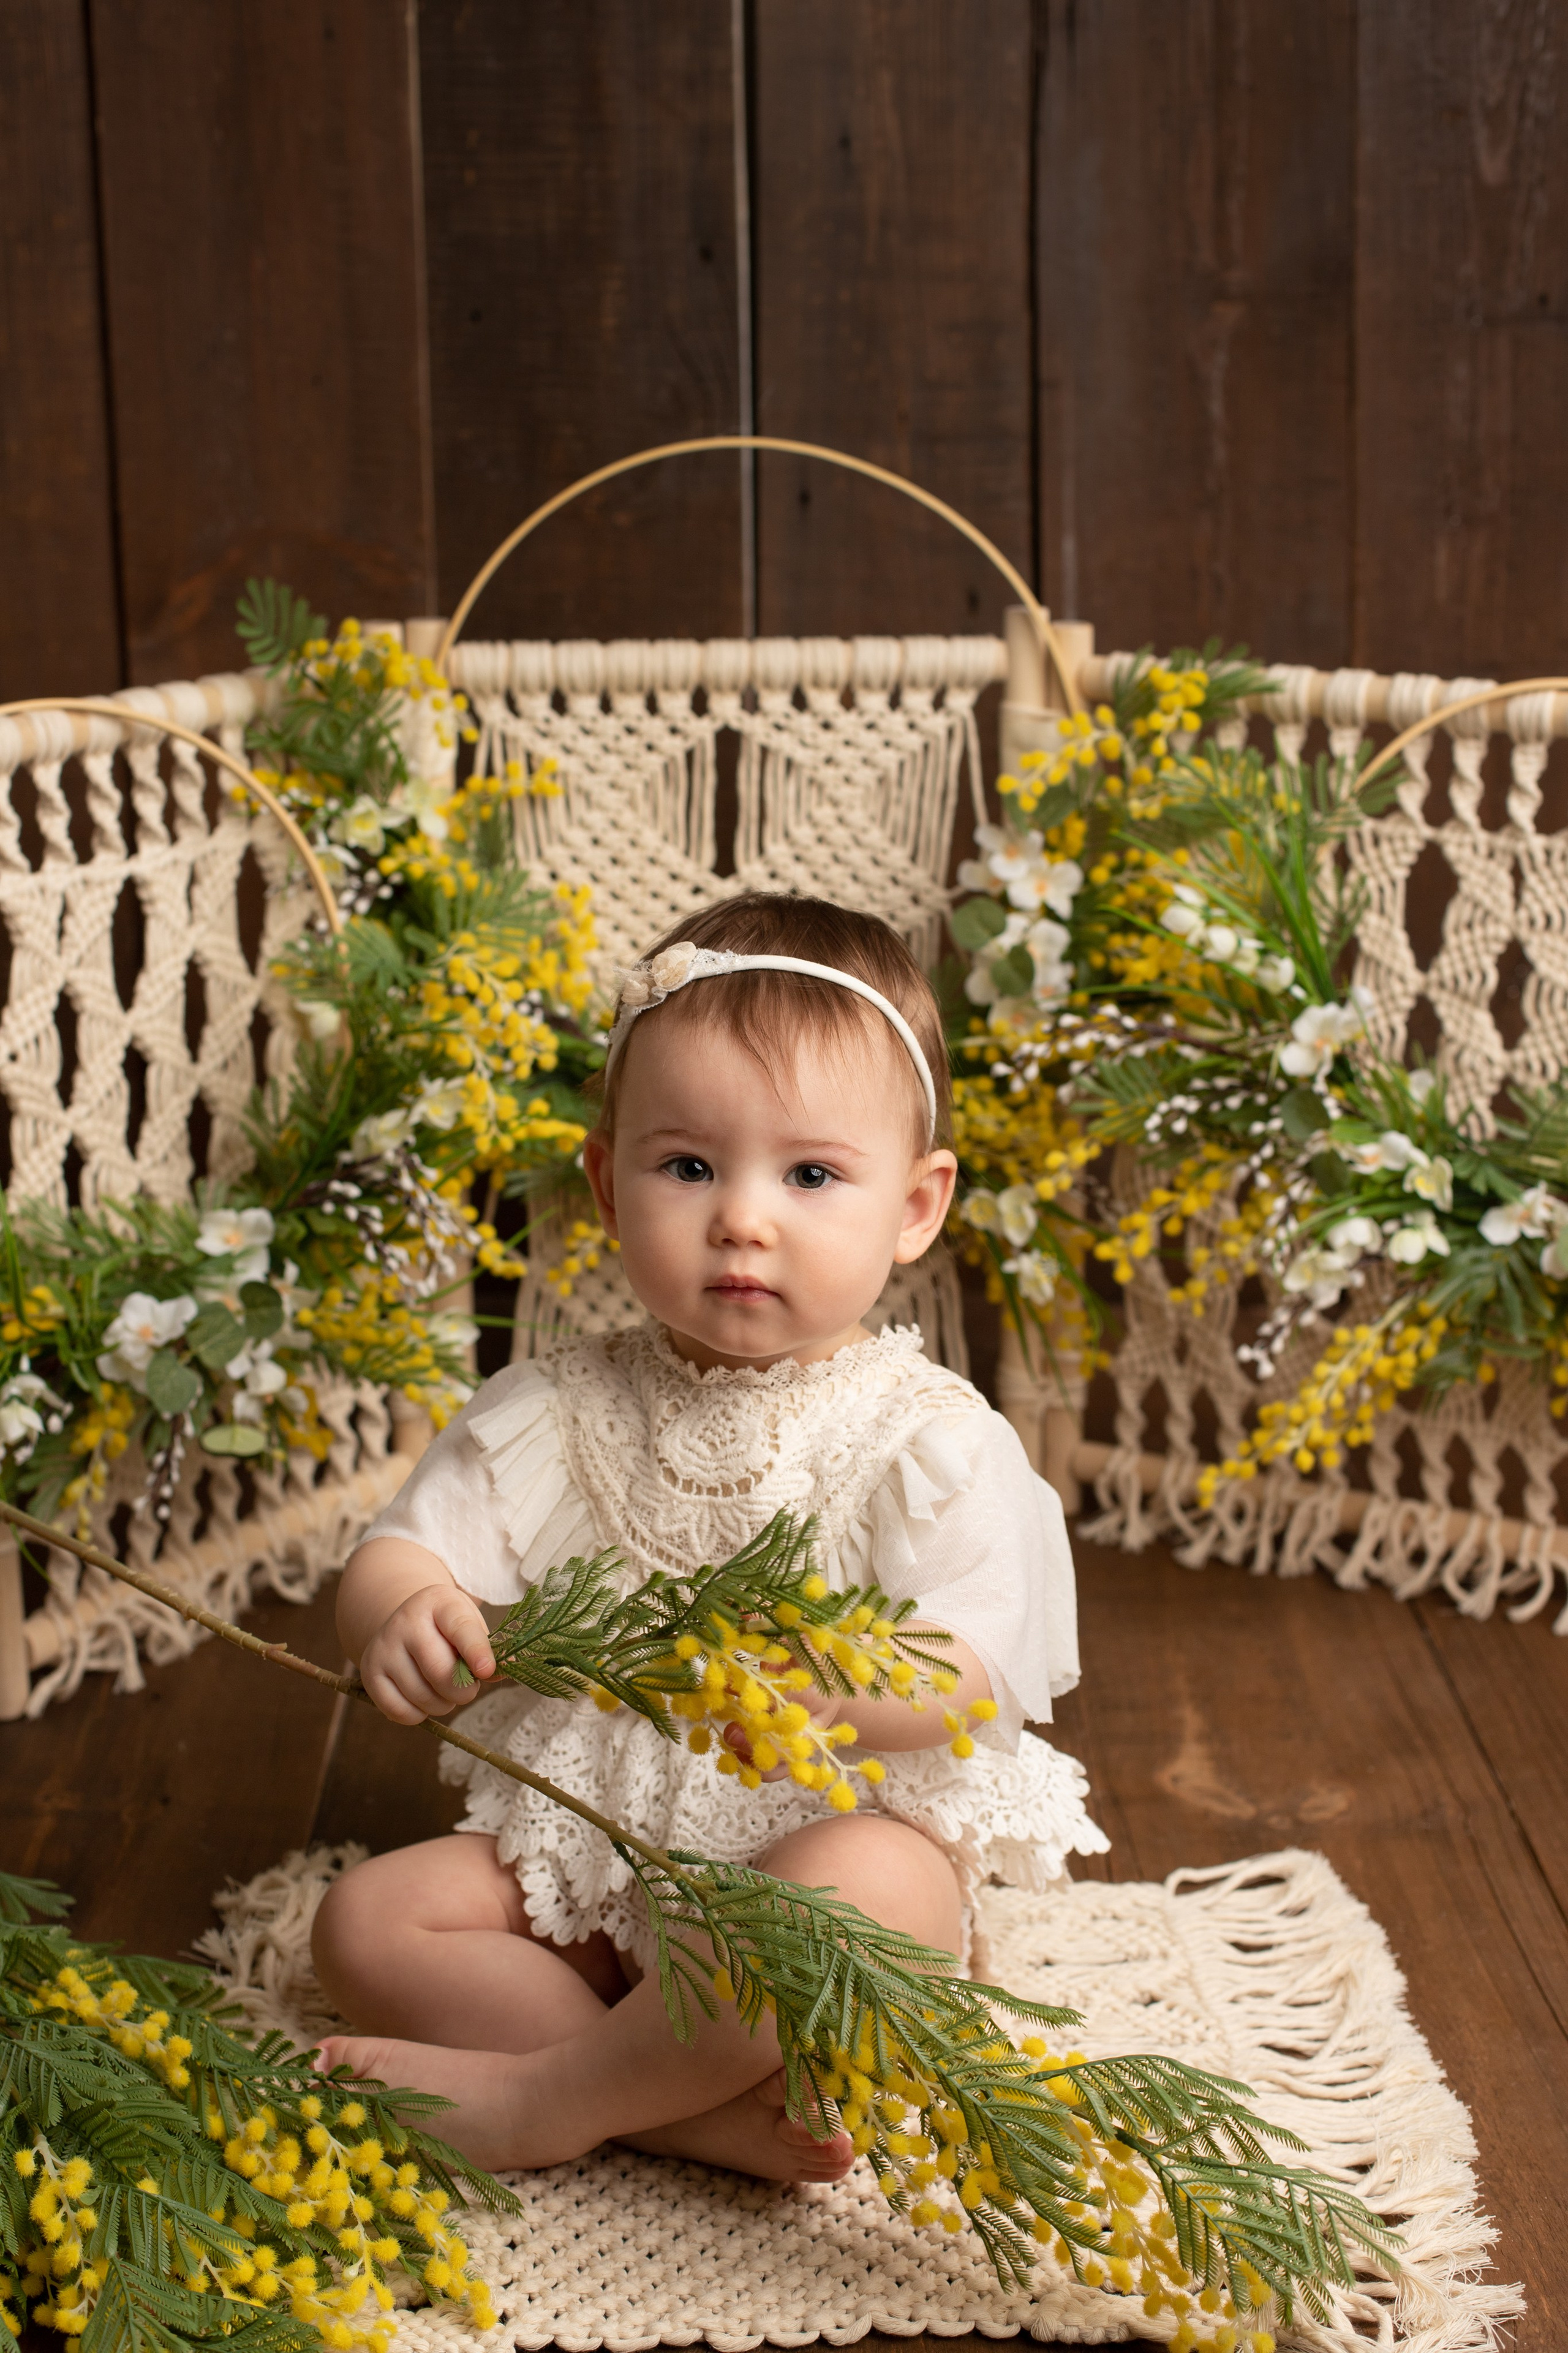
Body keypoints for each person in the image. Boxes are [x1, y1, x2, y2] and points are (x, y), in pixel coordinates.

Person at [312, 893, 1106, 2183]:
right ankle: (665, 2105)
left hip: (801, 1883)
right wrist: (397, 1611)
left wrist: (829, 1680)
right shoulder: (552, 1409)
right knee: (363, 1925)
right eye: (686, 1166)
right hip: (597, 1848)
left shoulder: (922, 1439)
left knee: (881, 1892)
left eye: (809, 1174)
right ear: (603, 1183)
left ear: (913, 1207)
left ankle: (546, 2097)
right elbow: (409, 1548)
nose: (742, 1216)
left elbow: (977, 1667)